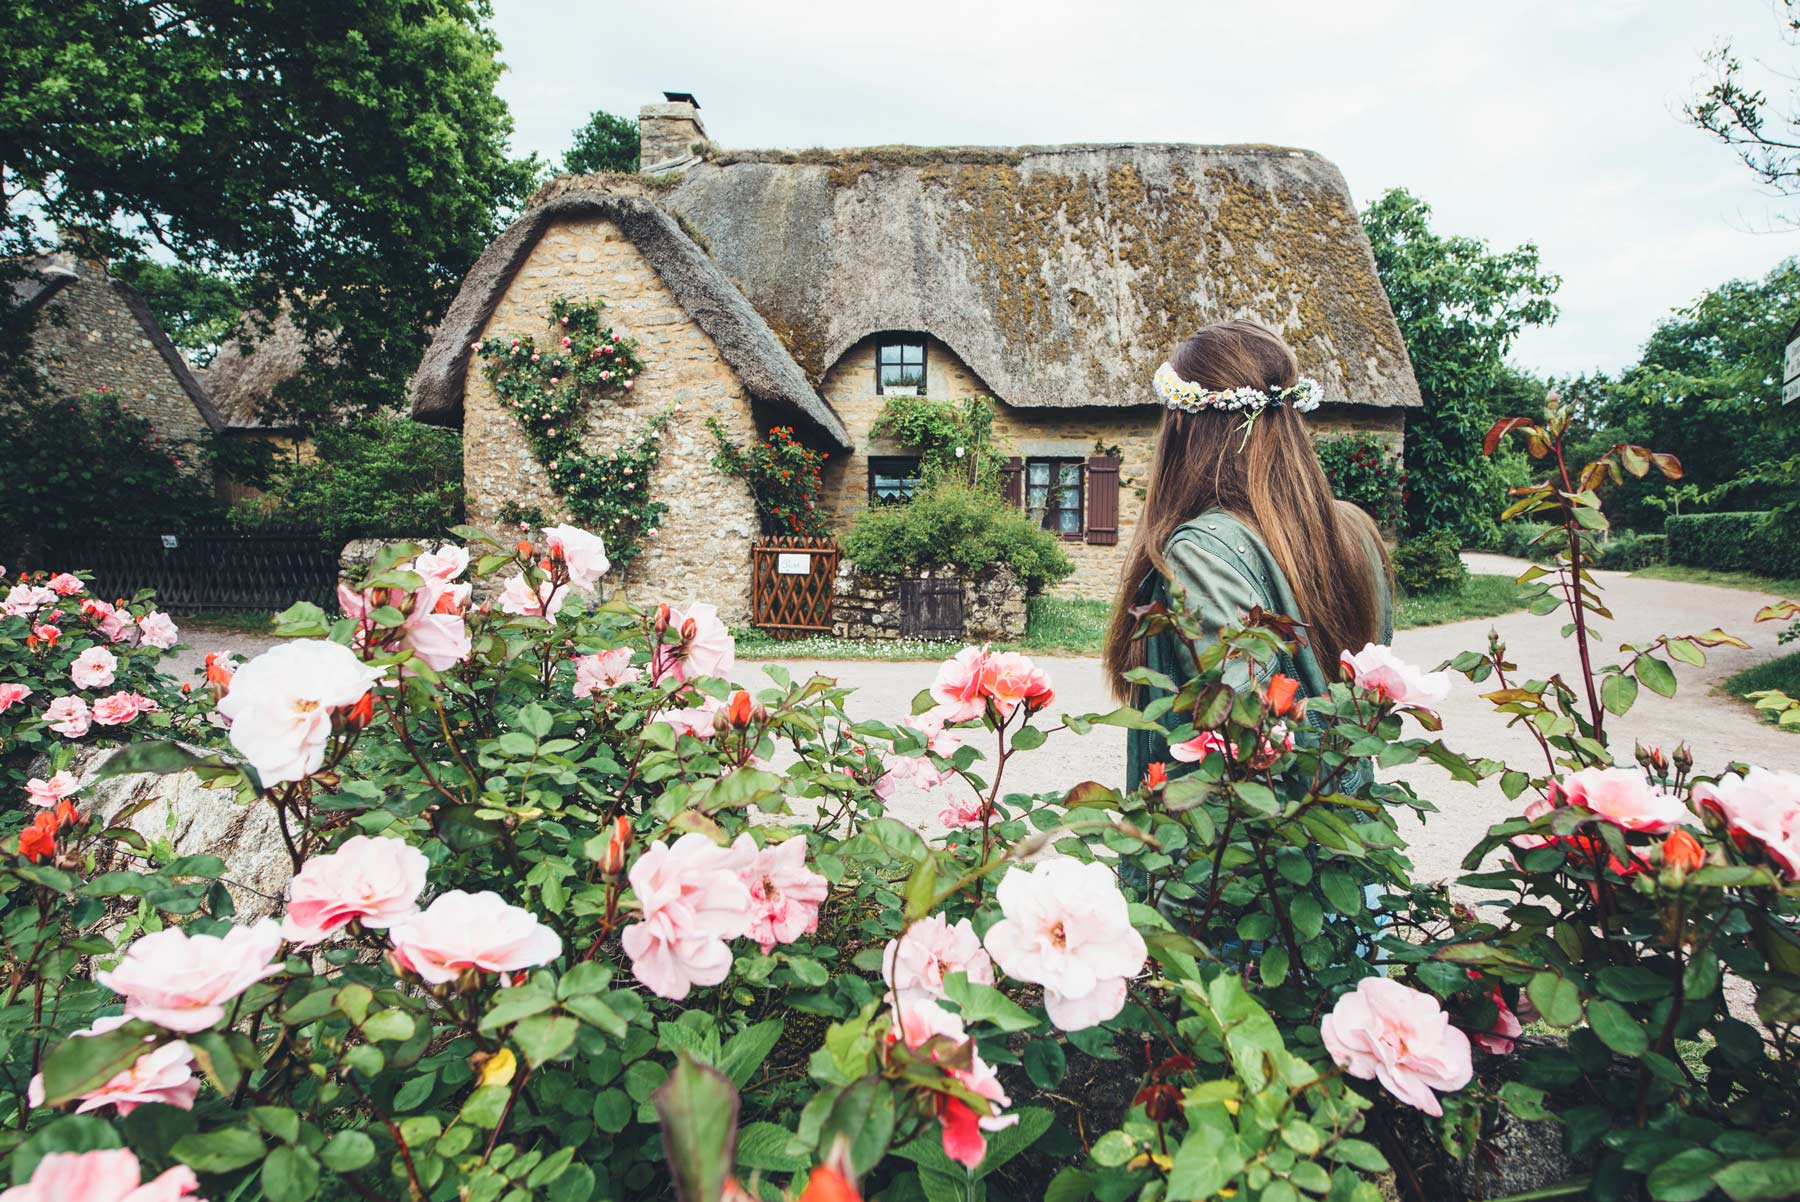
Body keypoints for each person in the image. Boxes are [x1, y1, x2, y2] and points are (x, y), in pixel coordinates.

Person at [1106, 320, 1394, 793]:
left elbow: (1243, 738)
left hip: (1239, 851)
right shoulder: (1356, 529)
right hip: (1343, 834)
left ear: (1182, 423)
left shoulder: (1199, 554)